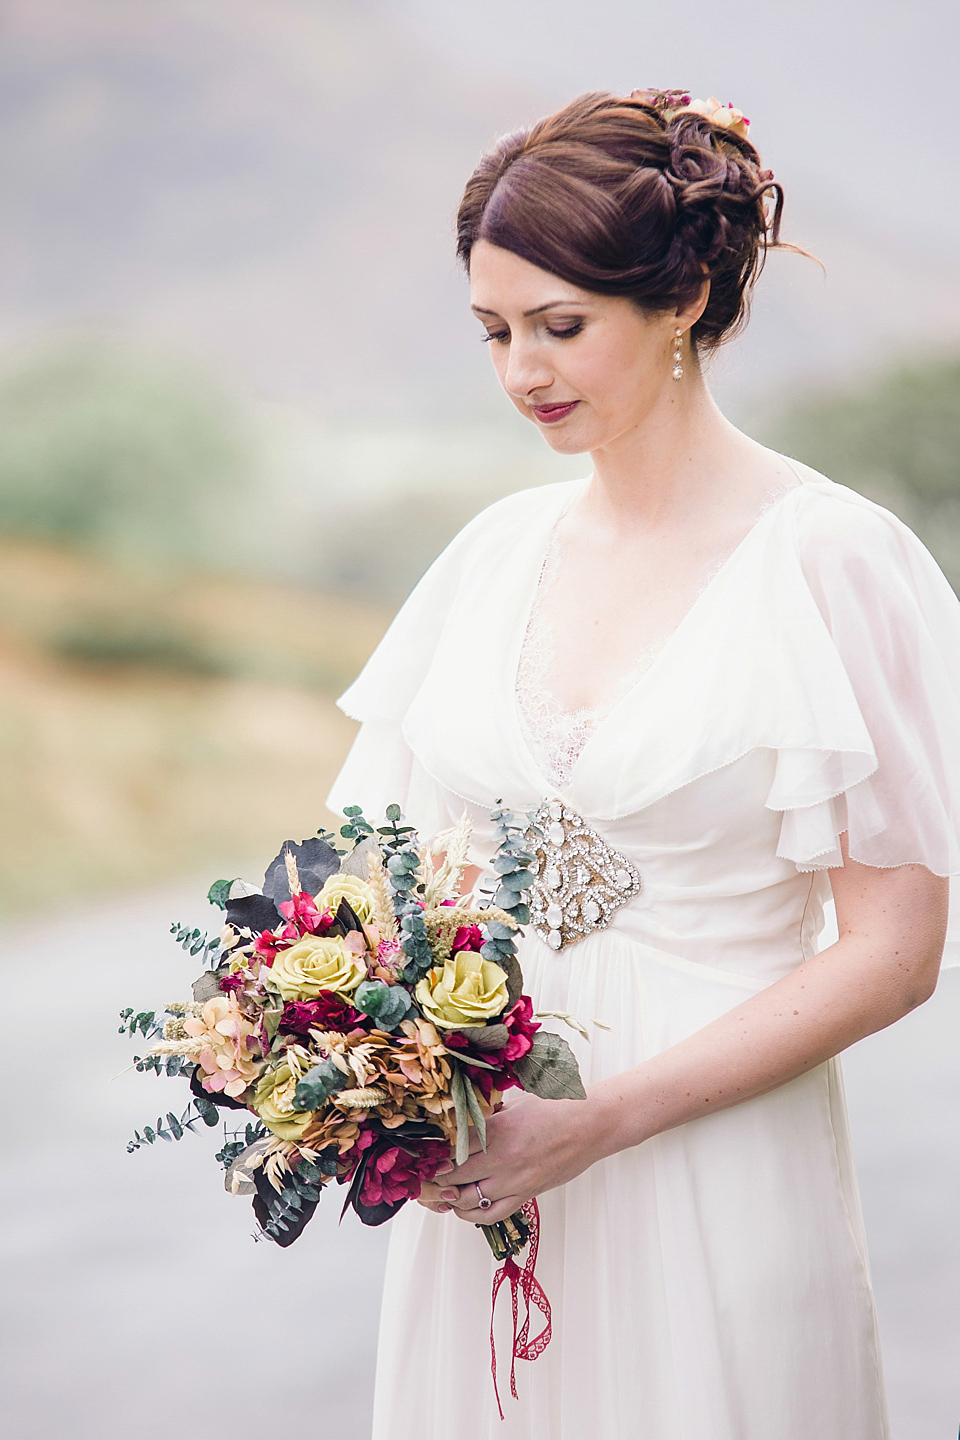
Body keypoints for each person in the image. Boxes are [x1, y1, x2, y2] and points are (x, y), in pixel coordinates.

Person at [328, 89, 960, 1440]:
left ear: (681, 300)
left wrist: (603, 1120)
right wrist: (365, 1053)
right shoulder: (496, 556)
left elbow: (896, 950)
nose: (522, 372)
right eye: (494, 332)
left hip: (712, 1158)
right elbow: (404, 876)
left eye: (562, 327)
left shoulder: (829, 561)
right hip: (492, 1153)